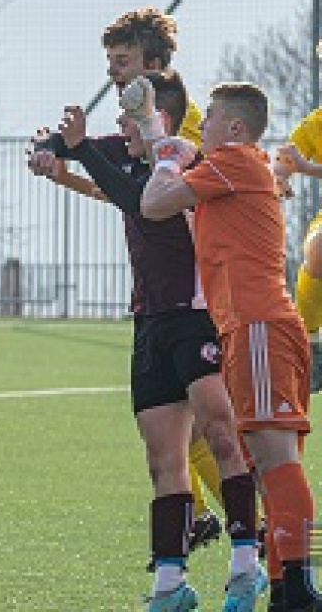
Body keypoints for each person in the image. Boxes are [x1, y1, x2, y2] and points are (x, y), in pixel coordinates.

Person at [29, 72, 262, 611]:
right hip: (150, 322)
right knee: (164, 460)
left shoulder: (185, 158)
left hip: (197, 317)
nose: (121, 127)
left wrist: (82, 149)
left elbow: (139, 199)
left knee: (222, 435)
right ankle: (171, 585)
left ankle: (246, 567)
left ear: (160, 118)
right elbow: (74, 153)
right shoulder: (131, 153)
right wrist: (49, 150)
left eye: (131, 117)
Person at [47, 6, 224, 552]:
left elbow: (150, 204)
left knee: (211, 433)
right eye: (110, 61)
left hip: (199, 301)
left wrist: (75, 156)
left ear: (153, 63)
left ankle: (270, 531)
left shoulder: (182, 131)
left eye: (121, 62)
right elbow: (125, 192)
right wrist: (64, 170)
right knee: (185, 435)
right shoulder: (141, 131)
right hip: (159, 300)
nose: (112, 73)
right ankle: (219, 526)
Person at [139, 81, 321, 612]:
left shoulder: (235, 160)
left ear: (235, 127)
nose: (205, 127)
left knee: (277, 460)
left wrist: (168, 156)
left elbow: (154, 204)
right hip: (249, 328)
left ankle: (301, 584)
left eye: (212, 118)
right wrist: (158, 138)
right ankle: (290, 578)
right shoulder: (233, 171)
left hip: (259, 324)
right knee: (268, 463)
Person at [273, 107, 322, 392]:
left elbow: (300, 163)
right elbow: (285, 159)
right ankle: (310, 344)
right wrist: (278, 177)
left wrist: (306, 168)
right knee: (318, 247)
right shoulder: (315, 123)